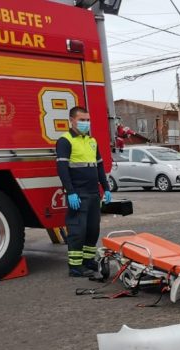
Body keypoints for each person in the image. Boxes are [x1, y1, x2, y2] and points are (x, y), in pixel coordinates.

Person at [55, 106, 111, 277]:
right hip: (78, 194)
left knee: (92, 230)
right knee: (77, 231)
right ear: (72, 120)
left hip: (93, 193)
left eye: (87, 120)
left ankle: (88, 261)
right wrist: (70, 192)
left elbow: (99, 166)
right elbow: (62, 169)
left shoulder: (91, 141)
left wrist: (106, 188)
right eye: (82, 120)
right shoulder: (65, 141)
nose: (86, 123)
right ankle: (75, 267)